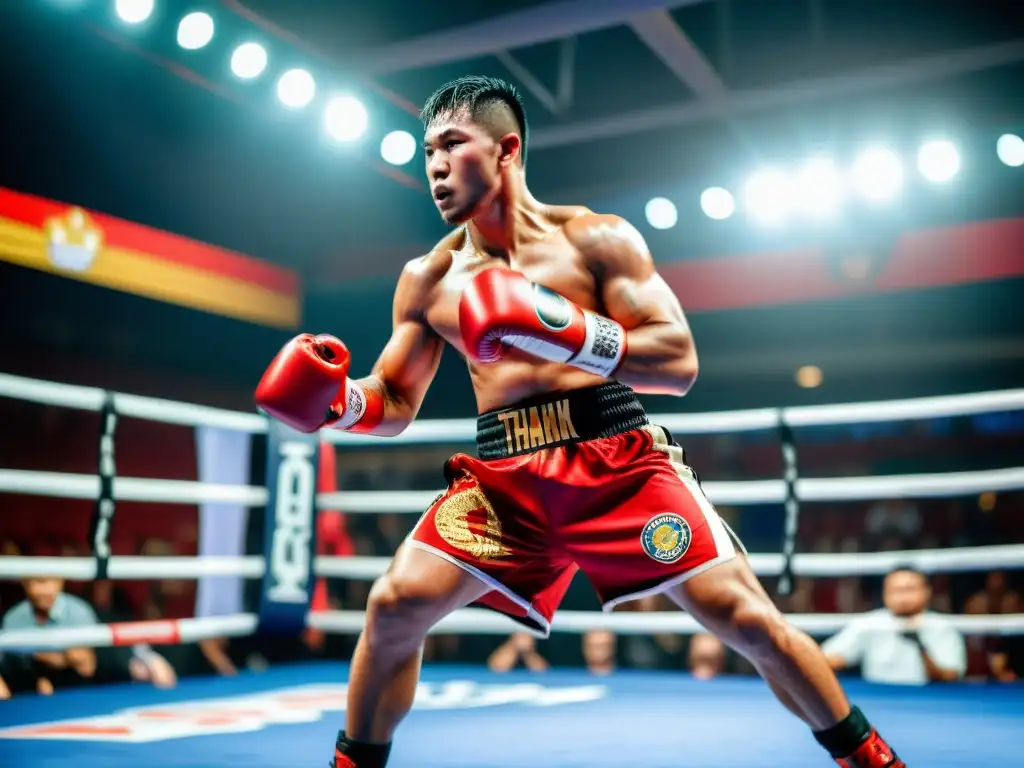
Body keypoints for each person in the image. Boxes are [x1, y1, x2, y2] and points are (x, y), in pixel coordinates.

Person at [256, 75, 904, 768]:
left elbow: (678, 360)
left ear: (506, 149)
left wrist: (561, 331)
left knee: (746, 620)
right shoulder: (430, 278)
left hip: (616, 462)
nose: (435, 165)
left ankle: (870, 758)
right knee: (394, 606)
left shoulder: (594, 239)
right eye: (427, 151)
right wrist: (340, 402)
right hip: (504, 483)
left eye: (452, 144)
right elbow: (395, 399)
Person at [822, 565, 966, 686]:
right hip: (879, 698)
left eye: (909, 589)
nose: (902, 597)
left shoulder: (941, 627)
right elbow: (827, 660)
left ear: (926, 592)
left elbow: (950, 676)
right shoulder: (869, 624)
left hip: (930, 699)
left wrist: (921, 647)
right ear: (885, 594)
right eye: (896, 590)